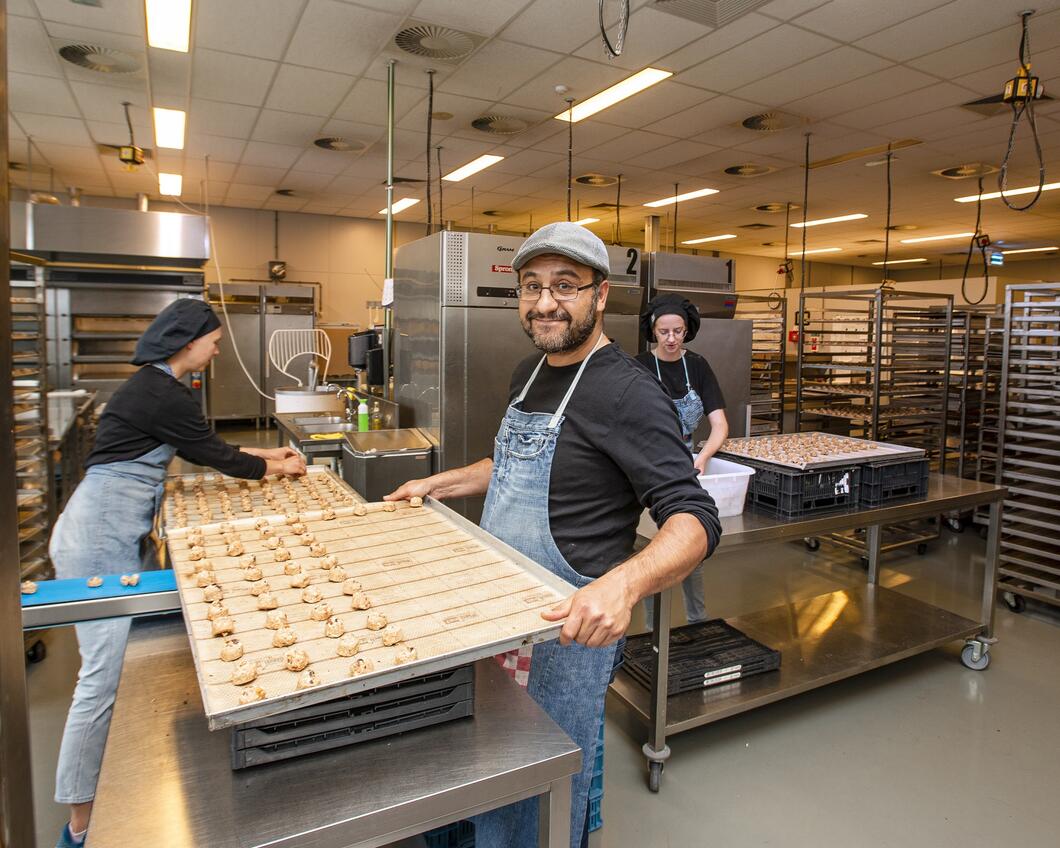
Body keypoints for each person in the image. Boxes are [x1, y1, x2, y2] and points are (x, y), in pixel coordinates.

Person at [387, 223, 721, 848]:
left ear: (600, 296)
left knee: (532, 802)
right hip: (497, 612)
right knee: (483, 769)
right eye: (532, 286)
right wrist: (441, 483)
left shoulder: (628, 392)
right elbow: (513, 463)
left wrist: (624, 585)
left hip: (565, 635)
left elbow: (695, 518)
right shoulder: (529, 371)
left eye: (565, 286)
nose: (545, 302)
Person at [50, 299, 306, 848]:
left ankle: (110, 787)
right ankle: (79, 825)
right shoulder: (162, 392)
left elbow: (207, 445)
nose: (216, 350)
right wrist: (273, 467)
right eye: (213, 341)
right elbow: (218, 456)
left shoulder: (158, 388)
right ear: (187, 342)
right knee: (99, 680)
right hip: (98, 538)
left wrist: (274, 456)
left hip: (112, 529)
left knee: (118, 667)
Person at [636, 294, 729, 626]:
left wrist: (702, 457)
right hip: (645, 469)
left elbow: (720, 425)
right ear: (653, 331)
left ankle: (697, 621)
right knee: (652, 551)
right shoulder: (640, 366)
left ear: (687, 330)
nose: (672, 339)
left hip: (685, 468)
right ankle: (650, 629)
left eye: (678, 331)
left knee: (691, 545)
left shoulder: (698, 366)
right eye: (664, 332)